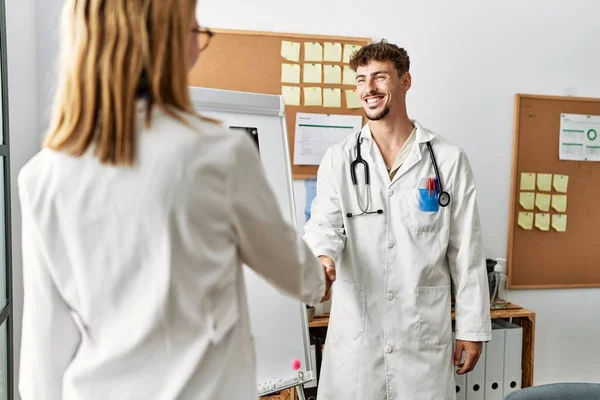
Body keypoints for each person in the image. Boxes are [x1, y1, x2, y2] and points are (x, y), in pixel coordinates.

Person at [17, 1, 331, 399]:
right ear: (163, 42)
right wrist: (320, 277)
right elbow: (295, 272)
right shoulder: (218, 154)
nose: (199, 47)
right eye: (194, 32)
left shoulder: (42, 177)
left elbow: (42, 361)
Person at [303, 40, 492, 399]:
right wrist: (322, 258)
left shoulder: (448, 160)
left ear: (405, 82)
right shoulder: (339, 159)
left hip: (419, 341)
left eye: (378, 78)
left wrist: (472, 327)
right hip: (357, 343)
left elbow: (466, 249)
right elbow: (324, 226)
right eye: (360, 80)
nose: (368, 89)